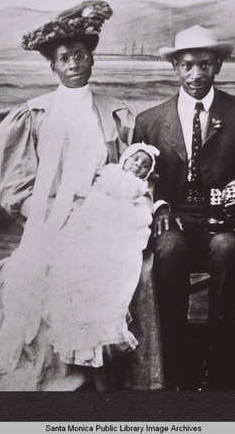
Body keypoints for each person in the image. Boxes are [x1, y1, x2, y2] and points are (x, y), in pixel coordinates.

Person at [0, 1, 164, 391]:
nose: (74, 63)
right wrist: (50, 214)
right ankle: (54, 373)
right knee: (39, 267)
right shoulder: (34, 115)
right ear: (54, 66)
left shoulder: (116, 114)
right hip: (50, 216)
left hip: (106, 215)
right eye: (65, 58)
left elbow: (134, 173)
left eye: (81, 55)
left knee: (133, 270)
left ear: (91, 59)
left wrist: (133, 207)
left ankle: (124, 373)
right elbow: (15, 189)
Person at [133, 25, 235, 390]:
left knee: (227, 249)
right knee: (168, 252)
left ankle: (217, 358)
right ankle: (176, 357)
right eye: (187, 66)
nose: (196, 74)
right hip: (175, 217)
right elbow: (136, 178)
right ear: (175, 68)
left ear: (217, 66)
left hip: (225, 219)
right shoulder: (149, 121)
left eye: (204, 65)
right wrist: (161, 205)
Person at [47, 143, 159, 368]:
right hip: (98, 218)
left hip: (121, 224)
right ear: (124, 160)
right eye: (135, 160)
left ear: (149, 172)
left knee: (119, 258)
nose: (138, 166)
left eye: (145, 165)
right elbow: (96, 200)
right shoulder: (109, 174)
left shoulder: (140, 188)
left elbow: (141, 209)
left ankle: (101, 343)